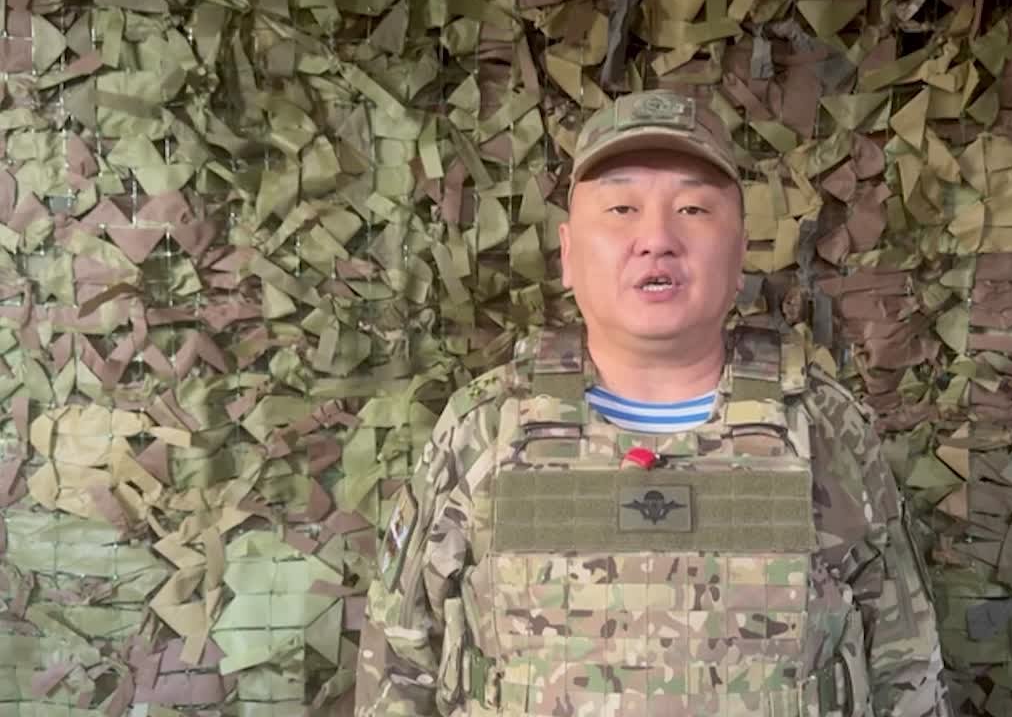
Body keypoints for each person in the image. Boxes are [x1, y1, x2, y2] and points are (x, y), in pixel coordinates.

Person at [355, 89, 952, 717]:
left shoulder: (823, 427)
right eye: (621, 208)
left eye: (693, 208)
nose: (656, 238)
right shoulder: (484, 428)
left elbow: (907, 667)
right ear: (567, 253)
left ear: (740, 251)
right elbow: (397, 665)